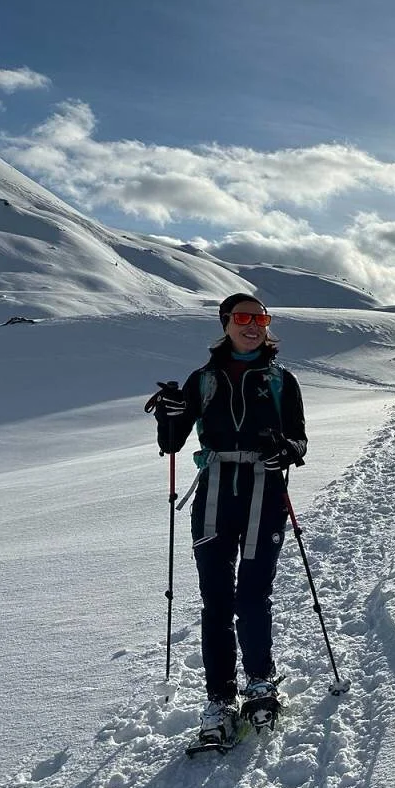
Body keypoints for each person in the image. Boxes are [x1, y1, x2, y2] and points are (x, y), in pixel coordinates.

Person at [147, 294, 308, 745]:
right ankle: (219, 697)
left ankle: (260, 681)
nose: (253, 325)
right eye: (243, 318)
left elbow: (298, 439)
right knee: (216, 599)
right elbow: (174, 442)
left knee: (253, 594)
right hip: (215, 497)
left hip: (265, 495)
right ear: (226, 323)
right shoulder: (203, 380)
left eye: (260, 318)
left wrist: (287, 451)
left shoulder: (281, 380)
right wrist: (169, 414)